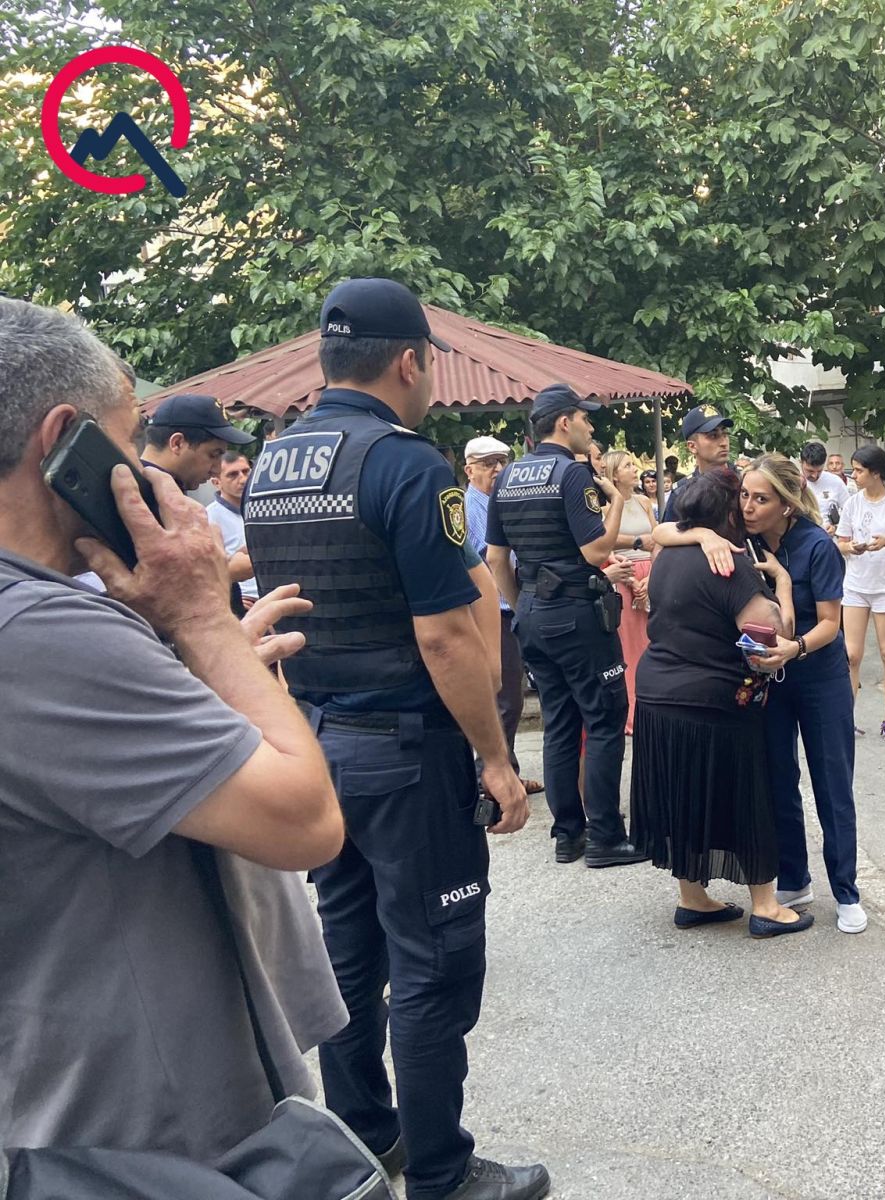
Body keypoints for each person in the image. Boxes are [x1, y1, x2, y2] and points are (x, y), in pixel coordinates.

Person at [0, 299, 347, 1162]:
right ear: (64, 441)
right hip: (139, 1134)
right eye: (127, 440)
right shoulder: (43, 635)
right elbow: (305, 821)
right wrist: (204, 622)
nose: (142, 468)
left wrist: (192, 679)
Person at [243, 278, 547, 1200]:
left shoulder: (273, 463)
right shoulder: (408, 464)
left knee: (351, 956)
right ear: (410, 361)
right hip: (407, 754)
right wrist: (495, 758)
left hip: (319, 745)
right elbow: (446, 634)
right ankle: (444, 1174)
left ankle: (367, 1144)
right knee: (433, 962)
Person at [655, 456, 866, 933]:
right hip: (768, 680)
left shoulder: (817, 545)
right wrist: (703, 535)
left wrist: (795, 644)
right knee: (777, 783)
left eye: (761, 499)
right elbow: (661, 532)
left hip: (819, 678)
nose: (748, 506)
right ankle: (793, 879)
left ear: (787, 505)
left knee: (832, 785)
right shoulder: (739, 538)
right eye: (744, 496)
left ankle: (846, 891)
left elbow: (831, 624)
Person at [630, 470, 813, 938]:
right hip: (713, 699)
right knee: (746, 798)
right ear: (728, 514)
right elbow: (773, 637)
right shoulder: (731, 565)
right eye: (741, 501)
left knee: (684, 796)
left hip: (656, 693)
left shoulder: (667, 553)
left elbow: (660, 533)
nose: (748, 509)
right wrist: (783, 585)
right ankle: (766, 906)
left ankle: (692, 898)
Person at [485, 383, 647, 870]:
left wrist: (524, 607)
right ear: (563, 422)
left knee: (558, 724)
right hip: (577, 614)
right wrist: (615, 501)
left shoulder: (508, 477)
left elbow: (496, 558)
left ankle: (567, 835)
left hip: (533, 615)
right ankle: (606, 837)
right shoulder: (572, 474)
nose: (590, 426)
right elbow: (597, 552)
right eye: (584, 418)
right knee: (604, 719)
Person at [464, 434, 543, 798]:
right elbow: (487, 559)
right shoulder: (469, 508)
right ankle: (492, 777)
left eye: (502, 461)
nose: (497, 469)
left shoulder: (502, 501)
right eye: (487, 463)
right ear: (469, 470)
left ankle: (504, 771)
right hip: (492, 612)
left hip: (513, 608)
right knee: (505, 699)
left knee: (511, 697)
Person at [838, 446, 885, 742]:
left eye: (858, 471)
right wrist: (851, 547)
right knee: (851, 655)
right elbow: (840, 543)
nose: (854, 475)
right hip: (855, 587)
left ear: (876, 473)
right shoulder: (852, 503)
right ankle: (846, 718)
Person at [601, 449, 659, 734]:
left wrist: (653, 576)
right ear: (614, 475)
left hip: (650, 573)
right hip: (623, 573)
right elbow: (604, 543)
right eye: (627, 466)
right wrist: (632, 577)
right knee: (630, 644)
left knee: (652, 640)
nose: (634, 469)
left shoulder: (644, 501)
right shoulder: (605, 509)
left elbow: (657, 537)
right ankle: (633, 713)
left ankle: (654, 706)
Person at [141, 391, 254, 491]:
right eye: (213, 455)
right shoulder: (137, 494)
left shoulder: (160, 490)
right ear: (177, 443)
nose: (217, 470)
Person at [660, 405, 733, 522]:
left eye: (725, 434)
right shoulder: (682, 492)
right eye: (713, 436)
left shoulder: (743, 482)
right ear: (692, 446)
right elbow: (667, 530)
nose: (723, 443)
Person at [207, 450, 259, 606]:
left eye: (246, 471)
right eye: (232, 475)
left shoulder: (264, 509)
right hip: (244, 602)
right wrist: (236, 601)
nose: (243, 479)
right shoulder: (207, 518)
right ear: (216, 482)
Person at [799, 440, 849, 534]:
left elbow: (849, 512)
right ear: (801, 463)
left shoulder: (835, 482)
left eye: (819, 471)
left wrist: (836, 528)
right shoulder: (793, 483)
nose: (815, 476)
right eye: (810, 471)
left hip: (829, 537)